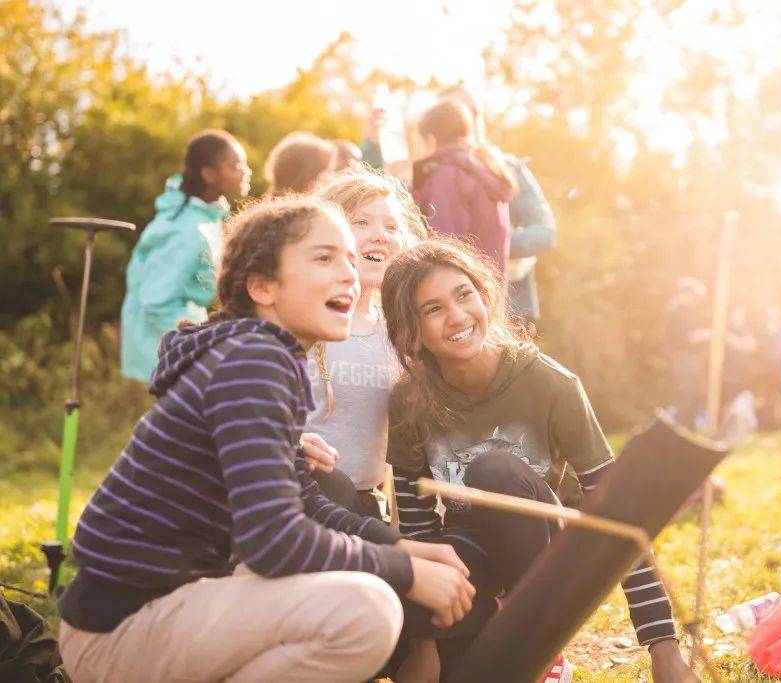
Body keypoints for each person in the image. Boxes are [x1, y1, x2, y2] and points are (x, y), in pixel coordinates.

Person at [58, 196, 475, 683]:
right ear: (262, 286)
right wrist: (405, 574)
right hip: (120, 631)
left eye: (348, 256)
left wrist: (400, 546)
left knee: (349, 585)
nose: (349, 269)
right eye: (324, 257)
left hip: (139, 612)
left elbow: (303, 501)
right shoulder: (252, 361)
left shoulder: (254, 352)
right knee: (367, 610)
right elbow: (272, 540)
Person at [380, 239, 691, 682]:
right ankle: (488, 626)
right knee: (389, 619)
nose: (457, 316)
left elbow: (620, 518)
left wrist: (665, 650)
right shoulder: (409, 402)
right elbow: (418, 526)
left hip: (547, 564)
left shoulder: (552, 386)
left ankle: (542, 644)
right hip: (470, 564)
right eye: (432, 309)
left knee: (493, 468)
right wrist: (423, 646)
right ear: (410, 331)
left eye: (464, 294)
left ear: (484, 295)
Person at [301, 168, 428, 519]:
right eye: (362, 223)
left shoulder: (401, 332)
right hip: (301, 495)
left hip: (366, 504)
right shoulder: (301, 324)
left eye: (391, 227)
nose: (380, 236)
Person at [121, 129, 251, 383]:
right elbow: (155, 301)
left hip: (174, 350)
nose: (245, 171)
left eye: (245, 164)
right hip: (161, 357)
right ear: (209, 174)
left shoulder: (204, 218)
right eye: (235, 165)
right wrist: (206, 337)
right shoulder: (187, 231)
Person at [441, 84, 556, 326]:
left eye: (457, 111)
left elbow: (546, 232)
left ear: (475, 116)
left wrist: (494, 245)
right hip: (450, 311)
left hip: (510, 308)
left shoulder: (509, 168)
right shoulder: (432, 175)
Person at [412, 100, 516, 283]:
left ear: (430, 140)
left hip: (457, 298)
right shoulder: (485, 170)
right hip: (486, 294)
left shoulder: (446, 176)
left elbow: (443, 248)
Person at [662, 276, 709, 429]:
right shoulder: (678, 311)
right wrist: (709, 334)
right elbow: (688, 336)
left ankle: (689, 429)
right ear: (686, 293)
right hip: (683, 358)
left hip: (689, 358)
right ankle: (682, 430)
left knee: (694, 394)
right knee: (687, 395)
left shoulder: (685, 310)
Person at [264, 131, 337, 195]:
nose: (331, 176)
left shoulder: (266, 208)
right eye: (328, 170)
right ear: (308, 177)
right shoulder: (306, 210)